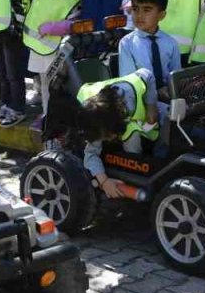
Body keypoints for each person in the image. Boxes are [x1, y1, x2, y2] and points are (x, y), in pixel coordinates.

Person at [67, 68, 163, 198]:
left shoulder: (131, 91)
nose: (107, 138)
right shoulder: (93, 119)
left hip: (139, 114)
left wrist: (151, 106)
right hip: (108, 114)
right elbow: (90, 154)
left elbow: (148, 73)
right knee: (132, 138)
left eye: (106, 135)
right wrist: (104, 181)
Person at [117, 0, 180, 158]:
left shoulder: (170, 43)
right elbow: (130, 82)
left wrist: (170, 91)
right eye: (135, 9)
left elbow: (176, 77)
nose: (139, 15)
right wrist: (152, 99)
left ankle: (161, 158)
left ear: (161, 15)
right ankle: (134, 163)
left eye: (147, 10)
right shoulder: (127, 44)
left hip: (163, 101)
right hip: (136, 102)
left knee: (177, 115)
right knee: (135, 128)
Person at [21, 0, 81, 122]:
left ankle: (55, 119)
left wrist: (52, 28)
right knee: (45, 85)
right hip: (39, 48)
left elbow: (73, 24)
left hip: (57, 52)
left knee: (56, 87)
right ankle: (48, 116)